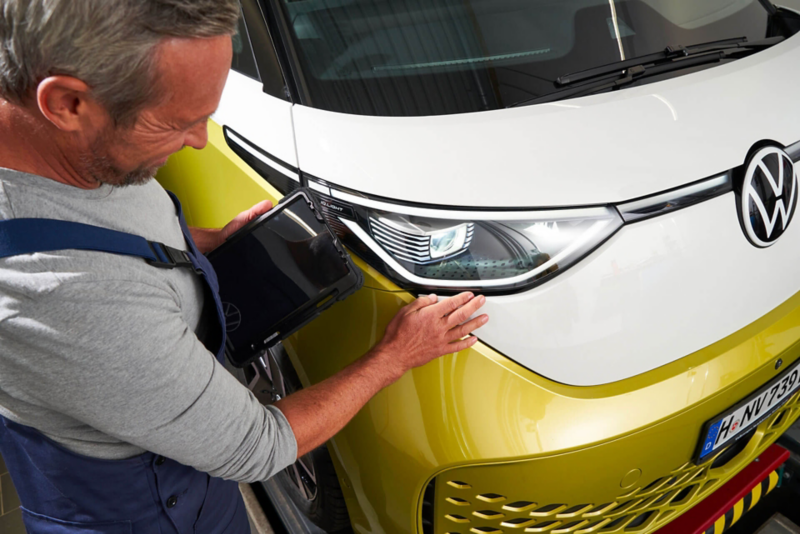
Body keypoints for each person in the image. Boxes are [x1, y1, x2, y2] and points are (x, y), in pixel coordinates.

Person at [0, 1, 489, 532]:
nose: (198, 141)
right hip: (156, 515)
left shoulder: (64, 151)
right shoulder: (66, 300)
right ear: (68, 102)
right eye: (178, 122)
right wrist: (396, 354)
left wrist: (204, 241)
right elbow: (260, 447)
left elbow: (106, 227)